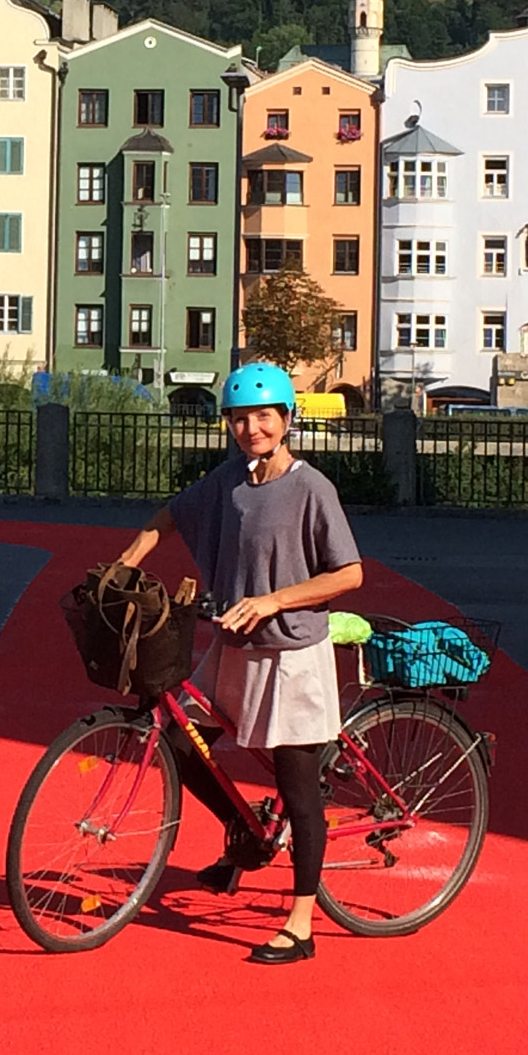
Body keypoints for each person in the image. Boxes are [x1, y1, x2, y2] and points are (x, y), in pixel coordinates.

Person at [110, 362, 364, 965]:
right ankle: (247, 831)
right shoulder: (229, 480)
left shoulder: (311, 489)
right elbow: (168, 516)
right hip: (235, 646)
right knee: (179, 745)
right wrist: (122, 566)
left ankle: (301, 926)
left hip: (293, 653)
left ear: (286, 420)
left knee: (298, 788)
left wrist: (273, 599)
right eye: (239, 417)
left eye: (264, 416)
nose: (251, 427)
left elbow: (350, 573)